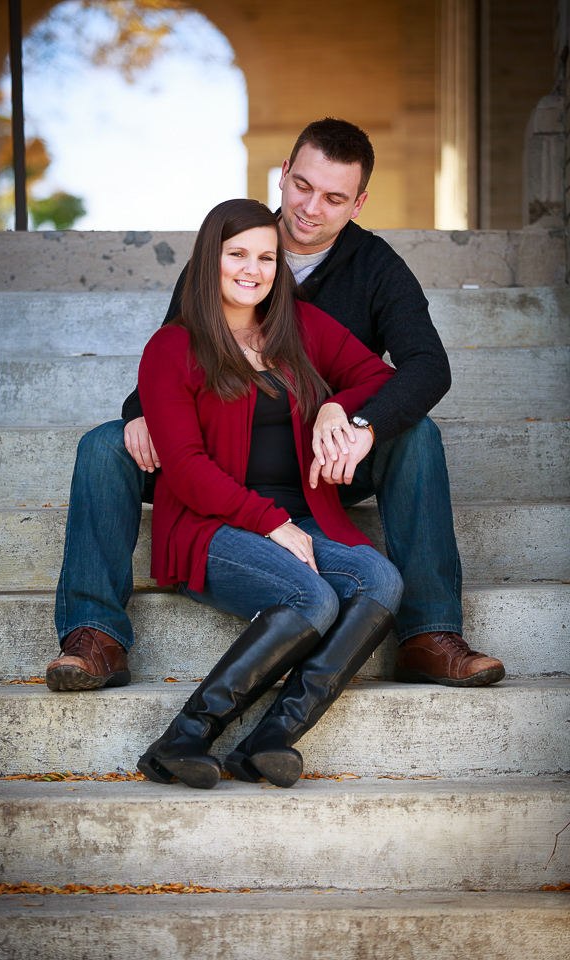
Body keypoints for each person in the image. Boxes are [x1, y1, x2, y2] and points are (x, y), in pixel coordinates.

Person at [46, 117, 504, 695]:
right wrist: (138, 410)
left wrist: (357, 417)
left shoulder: (376, 267)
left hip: (321, 461)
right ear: (283, 175)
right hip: (216, 455)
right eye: (304, 187)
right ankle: (95, 636)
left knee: (417, 435)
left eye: (335, 197)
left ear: (358, 203)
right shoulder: (227, 249)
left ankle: (428, 634)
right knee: (103, 445)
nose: (312, 208)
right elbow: (170, 350)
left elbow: (425, 367)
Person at [134, 198, 403, 790]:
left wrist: (336, 405)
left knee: (381, 580)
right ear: (210, 260)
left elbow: (379, 378)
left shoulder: (296, 329)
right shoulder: (171, 349)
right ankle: (182, 738)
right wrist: (271, 522)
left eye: (267, 257)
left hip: (297, 517)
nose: (253, 269)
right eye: (237, 255)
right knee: (312, 598)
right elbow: (183, 466)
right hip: (210, 527)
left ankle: (270, 737)